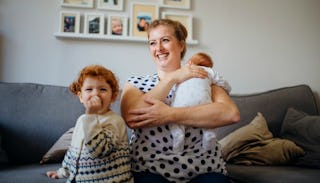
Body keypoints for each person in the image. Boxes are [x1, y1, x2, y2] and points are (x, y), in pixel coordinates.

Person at [120, 18, 240, 183]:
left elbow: (230, 114)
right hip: (151, 170)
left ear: (181, 45)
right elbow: (132, 118)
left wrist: (169, 115)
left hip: (204, 170)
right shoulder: (136, 83)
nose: (159, 48)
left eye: (165, 40)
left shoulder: (201, 76)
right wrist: (172, 78)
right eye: (152, 43)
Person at [46, 65, 133, 183]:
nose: (96, 94)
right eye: (89, 89)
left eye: (102, 89)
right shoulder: (82, 120)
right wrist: (62, 172)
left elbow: (99, 150)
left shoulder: (115, 121)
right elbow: (73, 152)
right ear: (81, 97)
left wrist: (91, 115)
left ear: (113, 96)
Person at [170, 52, 231, 153]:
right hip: (203, 102)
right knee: (210, 116)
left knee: (175, 118)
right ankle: (209, 133)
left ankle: (178, 134)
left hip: (181, 103)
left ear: (189, 62)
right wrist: (227, 89)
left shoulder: (182, 72)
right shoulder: (209, 72)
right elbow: (222, 82)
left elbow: (173, 85)